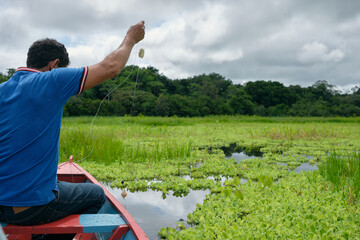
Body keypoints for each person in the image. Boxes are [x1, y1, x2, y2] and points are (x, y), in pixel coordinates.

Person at [0, 20, 145, 232]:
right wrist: (131, 39)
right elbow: (111, 68)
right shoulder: (52, 80)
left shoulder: (3, 89)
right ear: (54, 65)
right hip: (30, 208)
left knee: (59, 187)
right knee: (96, 195)